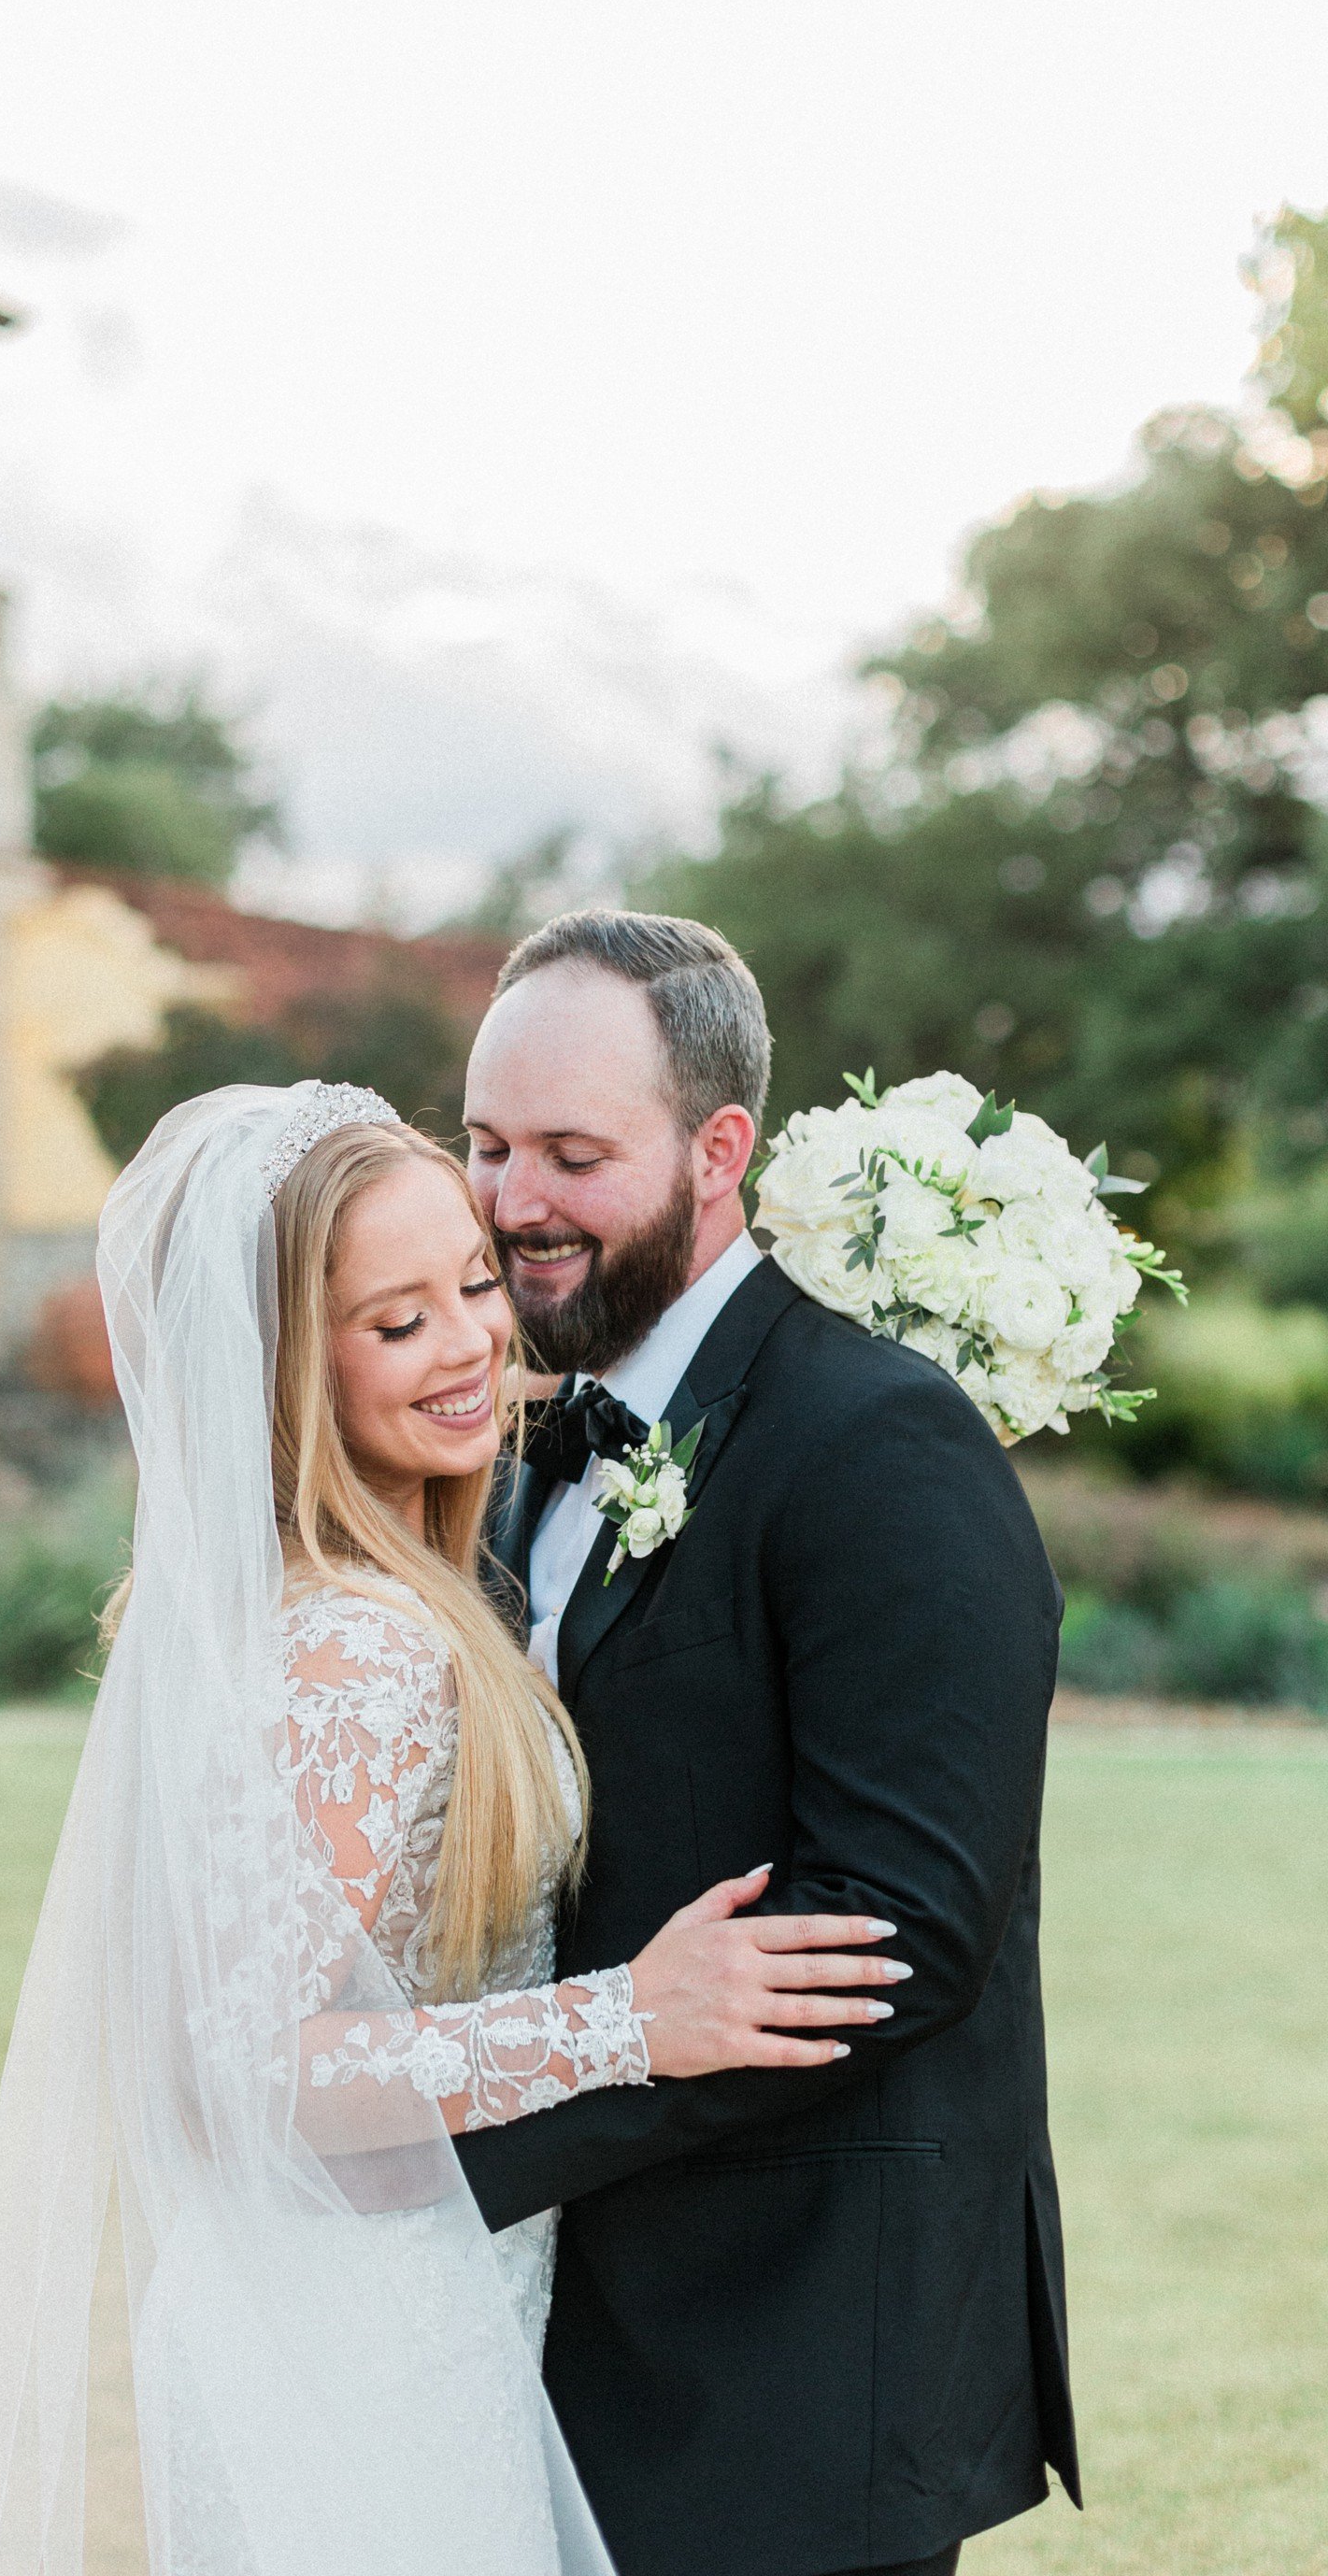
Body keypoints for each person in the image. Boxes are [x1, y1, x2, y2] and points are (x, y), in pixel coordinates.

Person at [0, 1080, 896, 2576]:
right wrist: (629, 2018)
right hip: (357, 2334)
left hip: (387, 2299)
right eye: (395, 1321)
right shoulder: (360, 1650)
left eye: (475, 1284)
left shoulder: (370, 1601)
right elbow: (259, 2064)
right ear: (291, 1365)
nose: (474, 1344)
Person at [455, 912, 1080, 2576]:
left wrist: (488, 2140)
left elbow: (901, 1930)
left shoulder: (881, 1444)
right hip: (577, 2328)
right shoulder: (527, 1438)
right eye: (489, 1144)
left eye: (575, 1155)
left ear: (720, 1150)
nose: (516, 1201)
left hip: (800, 2364)